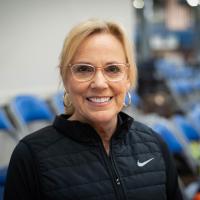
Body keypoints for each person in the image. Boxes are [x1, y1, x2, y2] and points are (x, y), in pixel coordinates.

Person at [4, 18, 183, 200]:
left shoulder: (155, 145)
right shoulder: (30, 156)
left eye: (113, 69)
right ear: (65, 78)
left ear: (128, 77)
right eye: (83, 69)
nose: (99, 83)